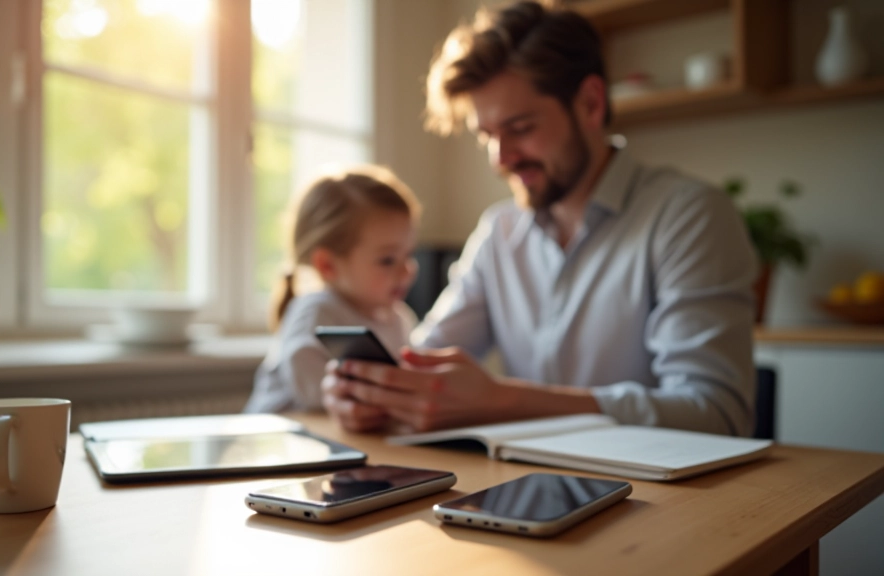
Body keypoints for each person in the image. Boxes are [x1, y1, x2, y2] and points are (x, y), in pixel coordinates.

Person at [321, 1, 757, 437]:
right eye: (488, 136)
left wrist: (501, 401)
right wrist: (369, 395)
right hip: (522, 490)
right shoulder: (499, 232)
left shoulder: (688, 216)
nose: (500, 160)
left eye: (521, 127)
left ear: (590, 103)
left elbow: (715, 413)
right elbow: (421, 360)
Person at [243, 165, 422, 416]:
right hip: (275, 444)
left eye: (409, 255)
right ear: (327, 265)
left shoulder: (399, 319)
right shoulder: (316, 311)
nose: (408, 271)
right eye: (388, 260)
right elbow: (313, 391)